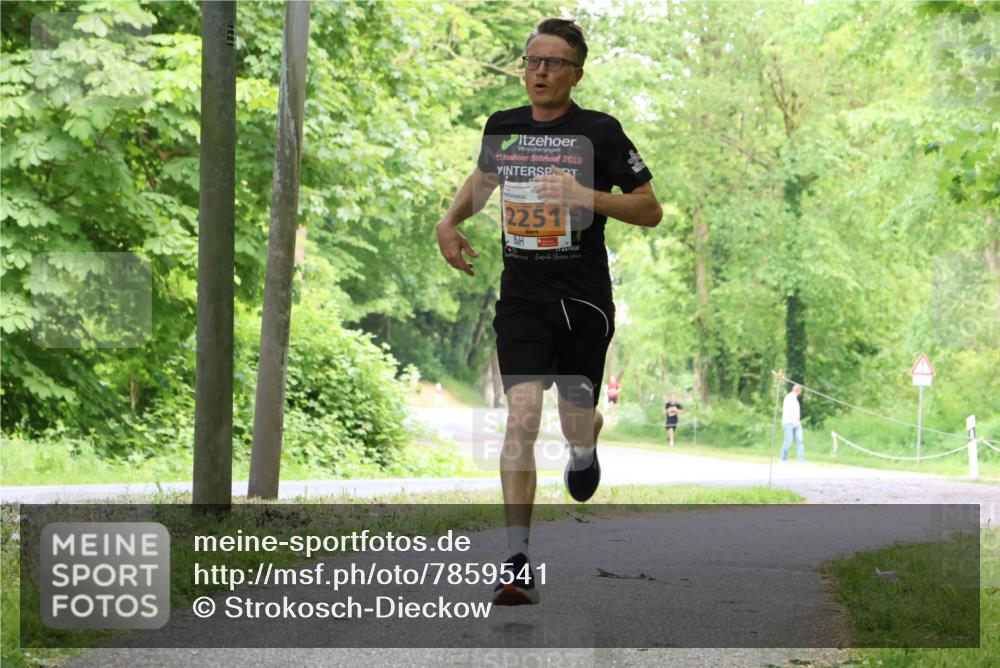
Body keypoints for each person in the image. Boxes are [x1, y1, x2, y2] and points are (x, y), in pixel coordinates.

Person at [435, 18, 662, 606]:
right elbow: (483, 180)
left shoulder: (600, 133)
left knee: (573, 418)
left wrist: (584, 196)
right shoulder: (503, 127)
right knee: (522, 417)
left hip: (583, 296)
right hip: (523, 296)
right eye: (532, 60)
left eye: (553, 62)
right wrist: (450, 222)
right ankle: (516, 562)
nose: (539, 70)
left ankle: (585, 449)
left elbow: (649, 209)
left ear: (576, 73)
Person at [780, 384, 805, 462]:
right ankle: (783, 459)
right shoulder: (789, 397)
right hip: (788, 422)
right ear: (799, 391)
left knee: (799, 440)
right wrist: (794, 420)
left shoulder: (794, 398)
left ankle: (801, 460)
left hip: (796, 422)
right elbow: (788, 410)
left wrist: (797, 421)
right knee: (788, 440)